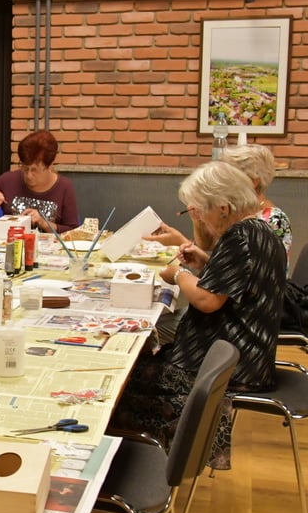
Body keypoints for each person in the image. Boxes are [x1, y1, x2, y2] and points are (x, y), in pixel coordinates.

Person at [111, 161, 287, 470]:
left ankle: (133, 466)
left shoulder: (239, 236)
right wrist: (205, 262)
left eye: (201, 211)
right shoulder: (259, 229)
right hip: (250, 354)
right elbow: (238, 284)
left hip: (233, 363)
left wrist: (179, 273)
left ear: (223, 207)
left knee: (120, 381)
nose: (200, 219)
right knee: (135, 365)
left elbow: (208, 300)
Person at [146, 143, 291, 259]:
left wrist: (180, 242)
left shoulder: (272, 220)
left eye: (229, 174)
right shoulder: (233, 211)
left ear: (253, 181)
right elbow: (208, 246)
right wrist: (198, 218)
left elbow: (231, 276)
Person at [0, 130, 79, 233]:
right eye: (25, 168)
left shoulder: (64, 187)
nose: (29, 175)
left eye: (35, 170)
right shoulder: (8, 180)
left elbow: (73, 231)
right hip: (12, 243)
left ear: (50, 166)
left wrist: (43, 223)